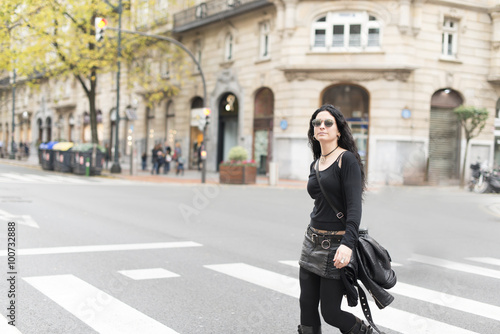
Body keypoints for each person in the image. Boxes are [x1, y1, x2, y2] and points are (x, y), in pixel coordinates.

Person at [298, 104, 369, 334]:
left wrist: (348, 245)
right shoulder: (316, 163)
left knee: (330, 312)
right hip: (311, 242)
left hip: (336, 245)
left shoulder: (346, 160)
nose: (322, 126)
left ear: (338, 130)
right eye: (317, 123)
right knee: (306, 305)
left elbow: (354, 208)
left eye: (328, 123)